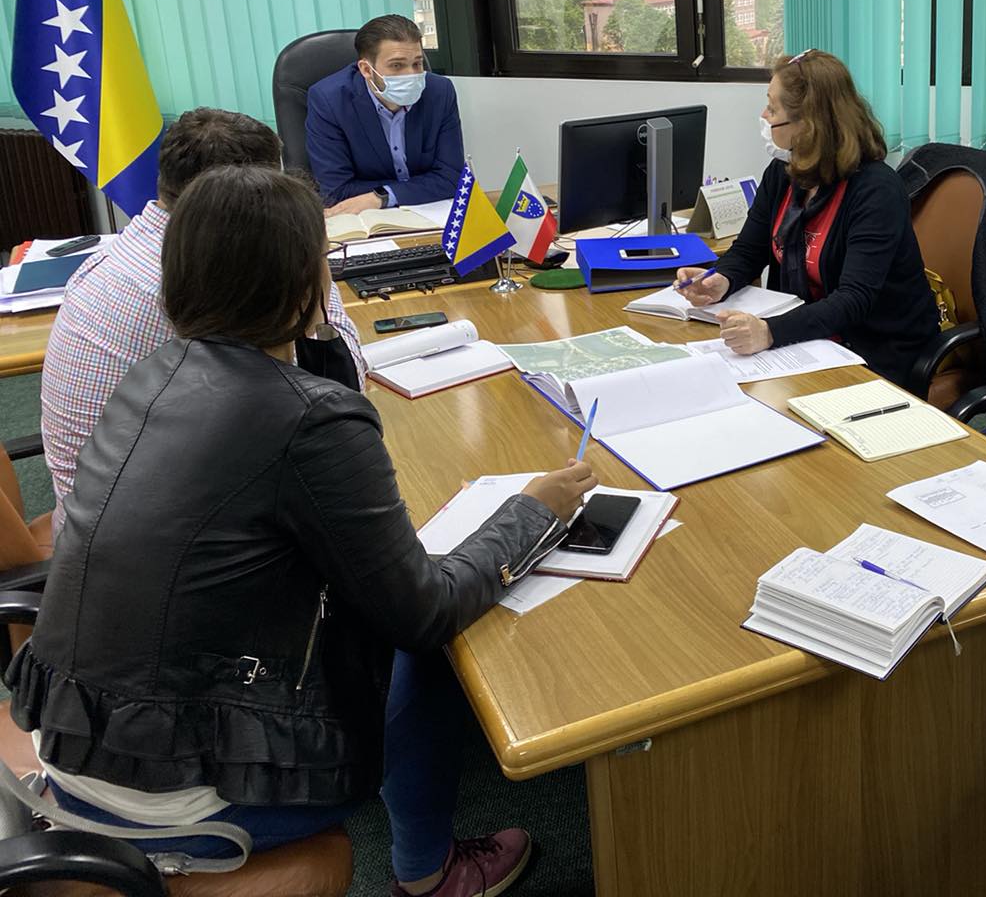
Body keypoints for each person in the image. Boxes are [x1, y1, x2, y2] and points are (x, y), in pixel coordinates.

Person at [9, 165, 598, 897]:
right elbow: (424, 612)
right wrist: (534, 511)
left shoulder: (154, 372)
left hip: (83, 742)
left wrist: (310, 339)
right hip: (176, 797)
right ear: (304, 284)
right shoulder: (311, 420)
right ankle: (431, 875)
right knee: (428, 645)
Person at [40, 107, 367, 541]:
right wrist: (309, 261)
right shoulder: (196, 283)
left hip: (97, 521)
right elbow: (338, 396)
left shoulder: (125, 250)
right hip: (154, 543)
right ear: (253, 200)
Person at [675, 49, 941, 392]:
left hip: (874, 349)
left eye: (773, 109)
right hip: (807, 340)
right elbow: (750, 250)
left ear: (808, 124)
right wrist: (721, 279)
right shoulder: (783, 173)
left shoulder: (876, 190)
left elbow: (854, 298)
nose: (764, 116)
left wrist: (770, 332)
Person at [305, 14, 465, 214]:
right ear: (366, 69)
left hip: (429, 214)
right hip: (365, 219)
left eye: (417, 63)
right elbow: (336, 191)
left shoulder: (439, 92)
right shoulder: (329, 101)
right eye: (397, 65)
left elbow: (452, 178)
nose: (411, 75)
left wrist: (383, 196)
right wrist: (415, 188)